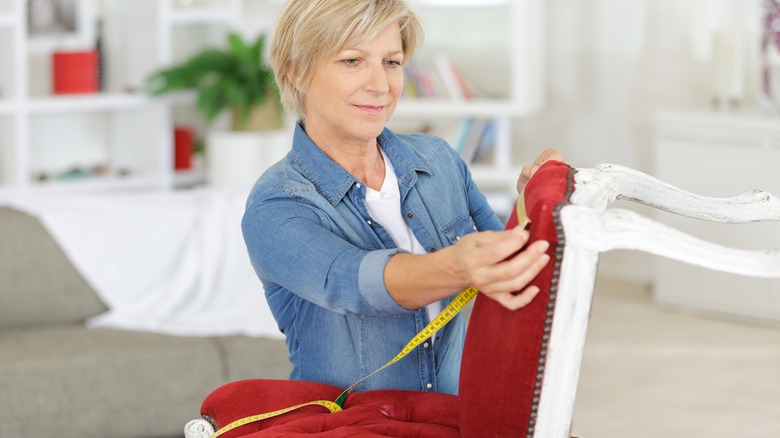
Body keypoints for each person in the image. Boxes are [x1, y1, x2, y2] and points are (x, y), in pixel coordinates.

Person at [241, 0, 564, 396]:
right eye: (352, 60)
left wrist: (535, 206)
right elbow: (355, 282)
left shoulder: (438, 161)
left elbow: (512, 271)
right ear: (296, 73)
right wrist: (458, 267)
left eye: (391, 62)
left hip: (456, 417)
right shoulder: (276, 205)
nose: (380, 85)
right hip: (353, 425)